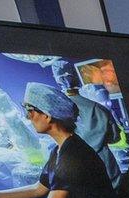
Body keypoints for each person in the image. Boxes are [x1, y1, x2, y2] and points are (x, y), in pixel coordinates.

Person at [52, 60, 123, 189]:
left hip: (81, 171)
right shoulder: (99, 109)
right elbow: (115, 138)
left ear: (57, 81)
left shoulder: (58, 114)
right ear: (77, 77)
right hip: (108, 170)